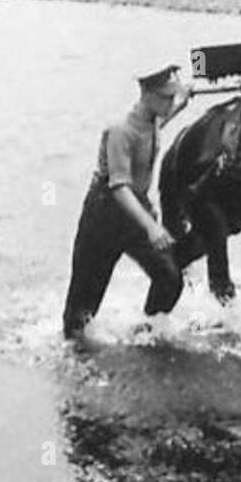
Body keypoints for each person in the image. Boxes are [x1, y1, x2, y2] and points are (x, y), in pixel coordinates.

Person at [62, 64, 193, 339]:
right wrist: (152, 227)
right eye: (166, 97)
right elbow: (119, 186)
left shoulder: (153, 119)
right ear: (146, 94)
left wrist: (183, 100)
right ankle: (74, 354)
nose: (170, 102)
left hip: (135, 214)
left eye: (173, 97)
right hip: (105, 214)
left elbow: (165, 117)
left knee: (170, 278)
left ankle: (146, 333)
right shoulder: (120, 130)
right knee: (82, 309)